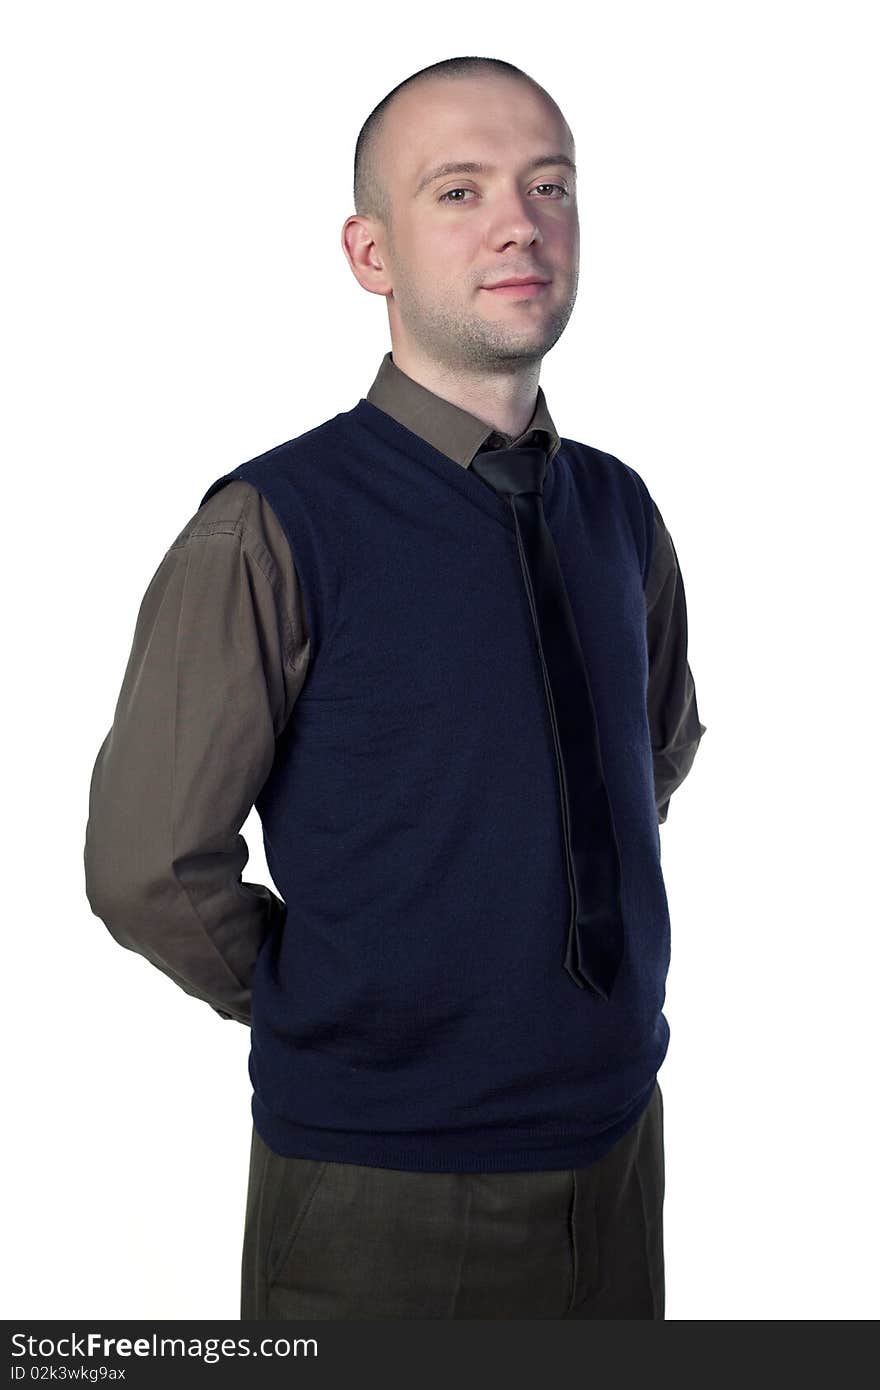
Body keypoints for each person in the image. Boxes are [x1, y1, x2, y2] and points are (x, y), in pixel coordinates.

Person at [84, 55, 707, 1320]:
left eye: (548, 185)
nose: (518, 223)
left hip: (616, 1151)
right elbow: (146, 863)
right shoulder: (272, 524)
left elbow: (648, 756)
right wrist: (338, 992)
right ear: (370, 254)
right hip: (385, 1191)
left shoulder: (618, 509)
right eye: (458, 192)